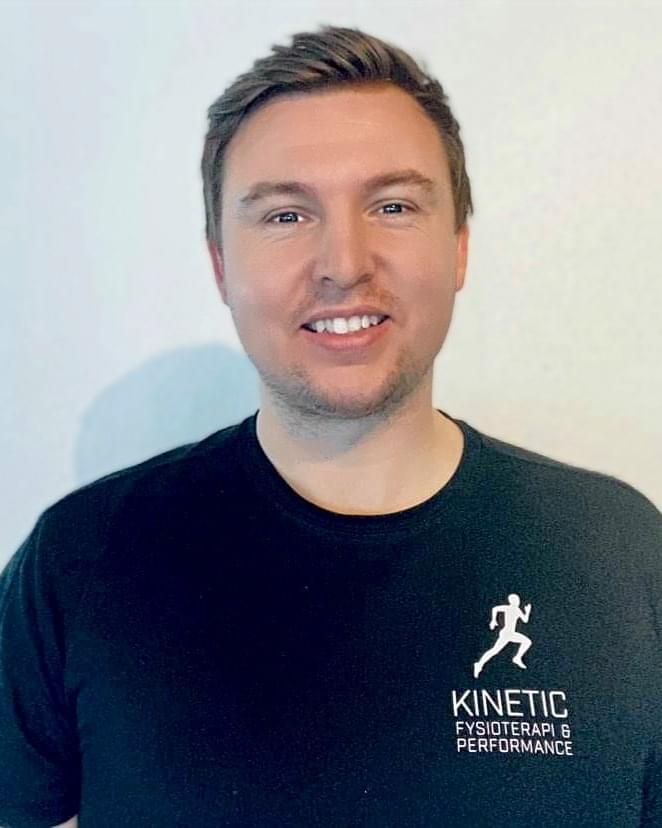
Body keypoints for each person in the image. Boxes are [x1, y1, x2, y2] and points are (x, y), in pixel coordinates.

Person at [1, 23, 661, 827]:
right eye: (285, 215)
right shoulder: (84, 559)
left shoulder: (620, 552)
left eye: (393, 205)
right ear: (220, 264)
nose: (344, 264)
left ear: (458, 248)